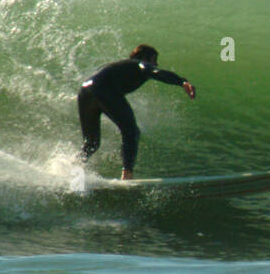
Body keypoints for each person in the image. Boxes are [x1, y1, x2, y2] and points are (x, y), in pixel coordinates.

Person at [77, 44, 195, 180]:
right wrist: (181, 82)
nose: (156, 64)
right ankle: (127, 174)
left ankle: (75, 167)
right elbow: (154, 72)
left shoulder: (122, 66)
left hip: (85, 91)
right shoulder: (140, 64)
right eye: (154, 59)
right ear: (145, 58)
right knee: (131, 131)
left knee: (91, 142)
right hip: (104, 90)